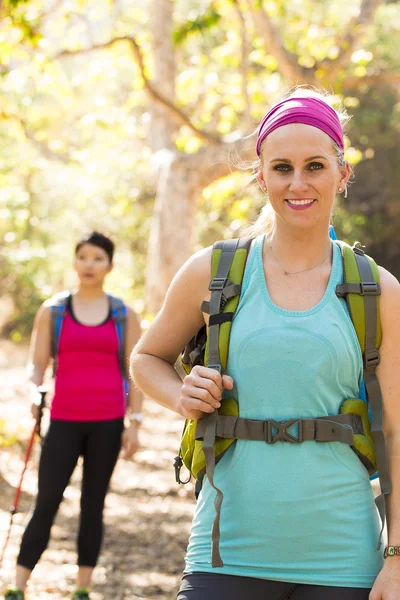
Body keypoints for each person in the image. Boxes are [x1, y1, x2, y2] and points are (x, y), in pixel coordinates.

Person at [130, 89, 400, 599]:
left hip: (344, 561)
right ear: (261, 176)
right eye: (282, 168)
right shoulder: (214, 271)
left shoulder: (377, 290)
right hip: (224, 553)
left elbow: (399, 433)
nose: (298, 183)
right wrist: (179, 395)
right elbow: (146, 357)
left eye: (315, 166)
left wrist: (398, 556)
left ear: (342, 176)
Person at [5, 232, 143, 600]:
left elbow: (136, 371)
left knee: (92, 504)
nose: (89, 264)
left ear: (110, 265)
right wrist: (36, 392)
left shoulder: (123, 314)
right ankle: (18, 586)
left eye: (98, 258)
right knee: (47, 499)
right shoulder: (53, 311)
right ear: (74, 261)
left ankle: (82, 588)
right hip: (63, 419)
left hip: (108, 421)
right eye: (83, 257)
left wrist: (135, 422)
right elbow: (37, 365)